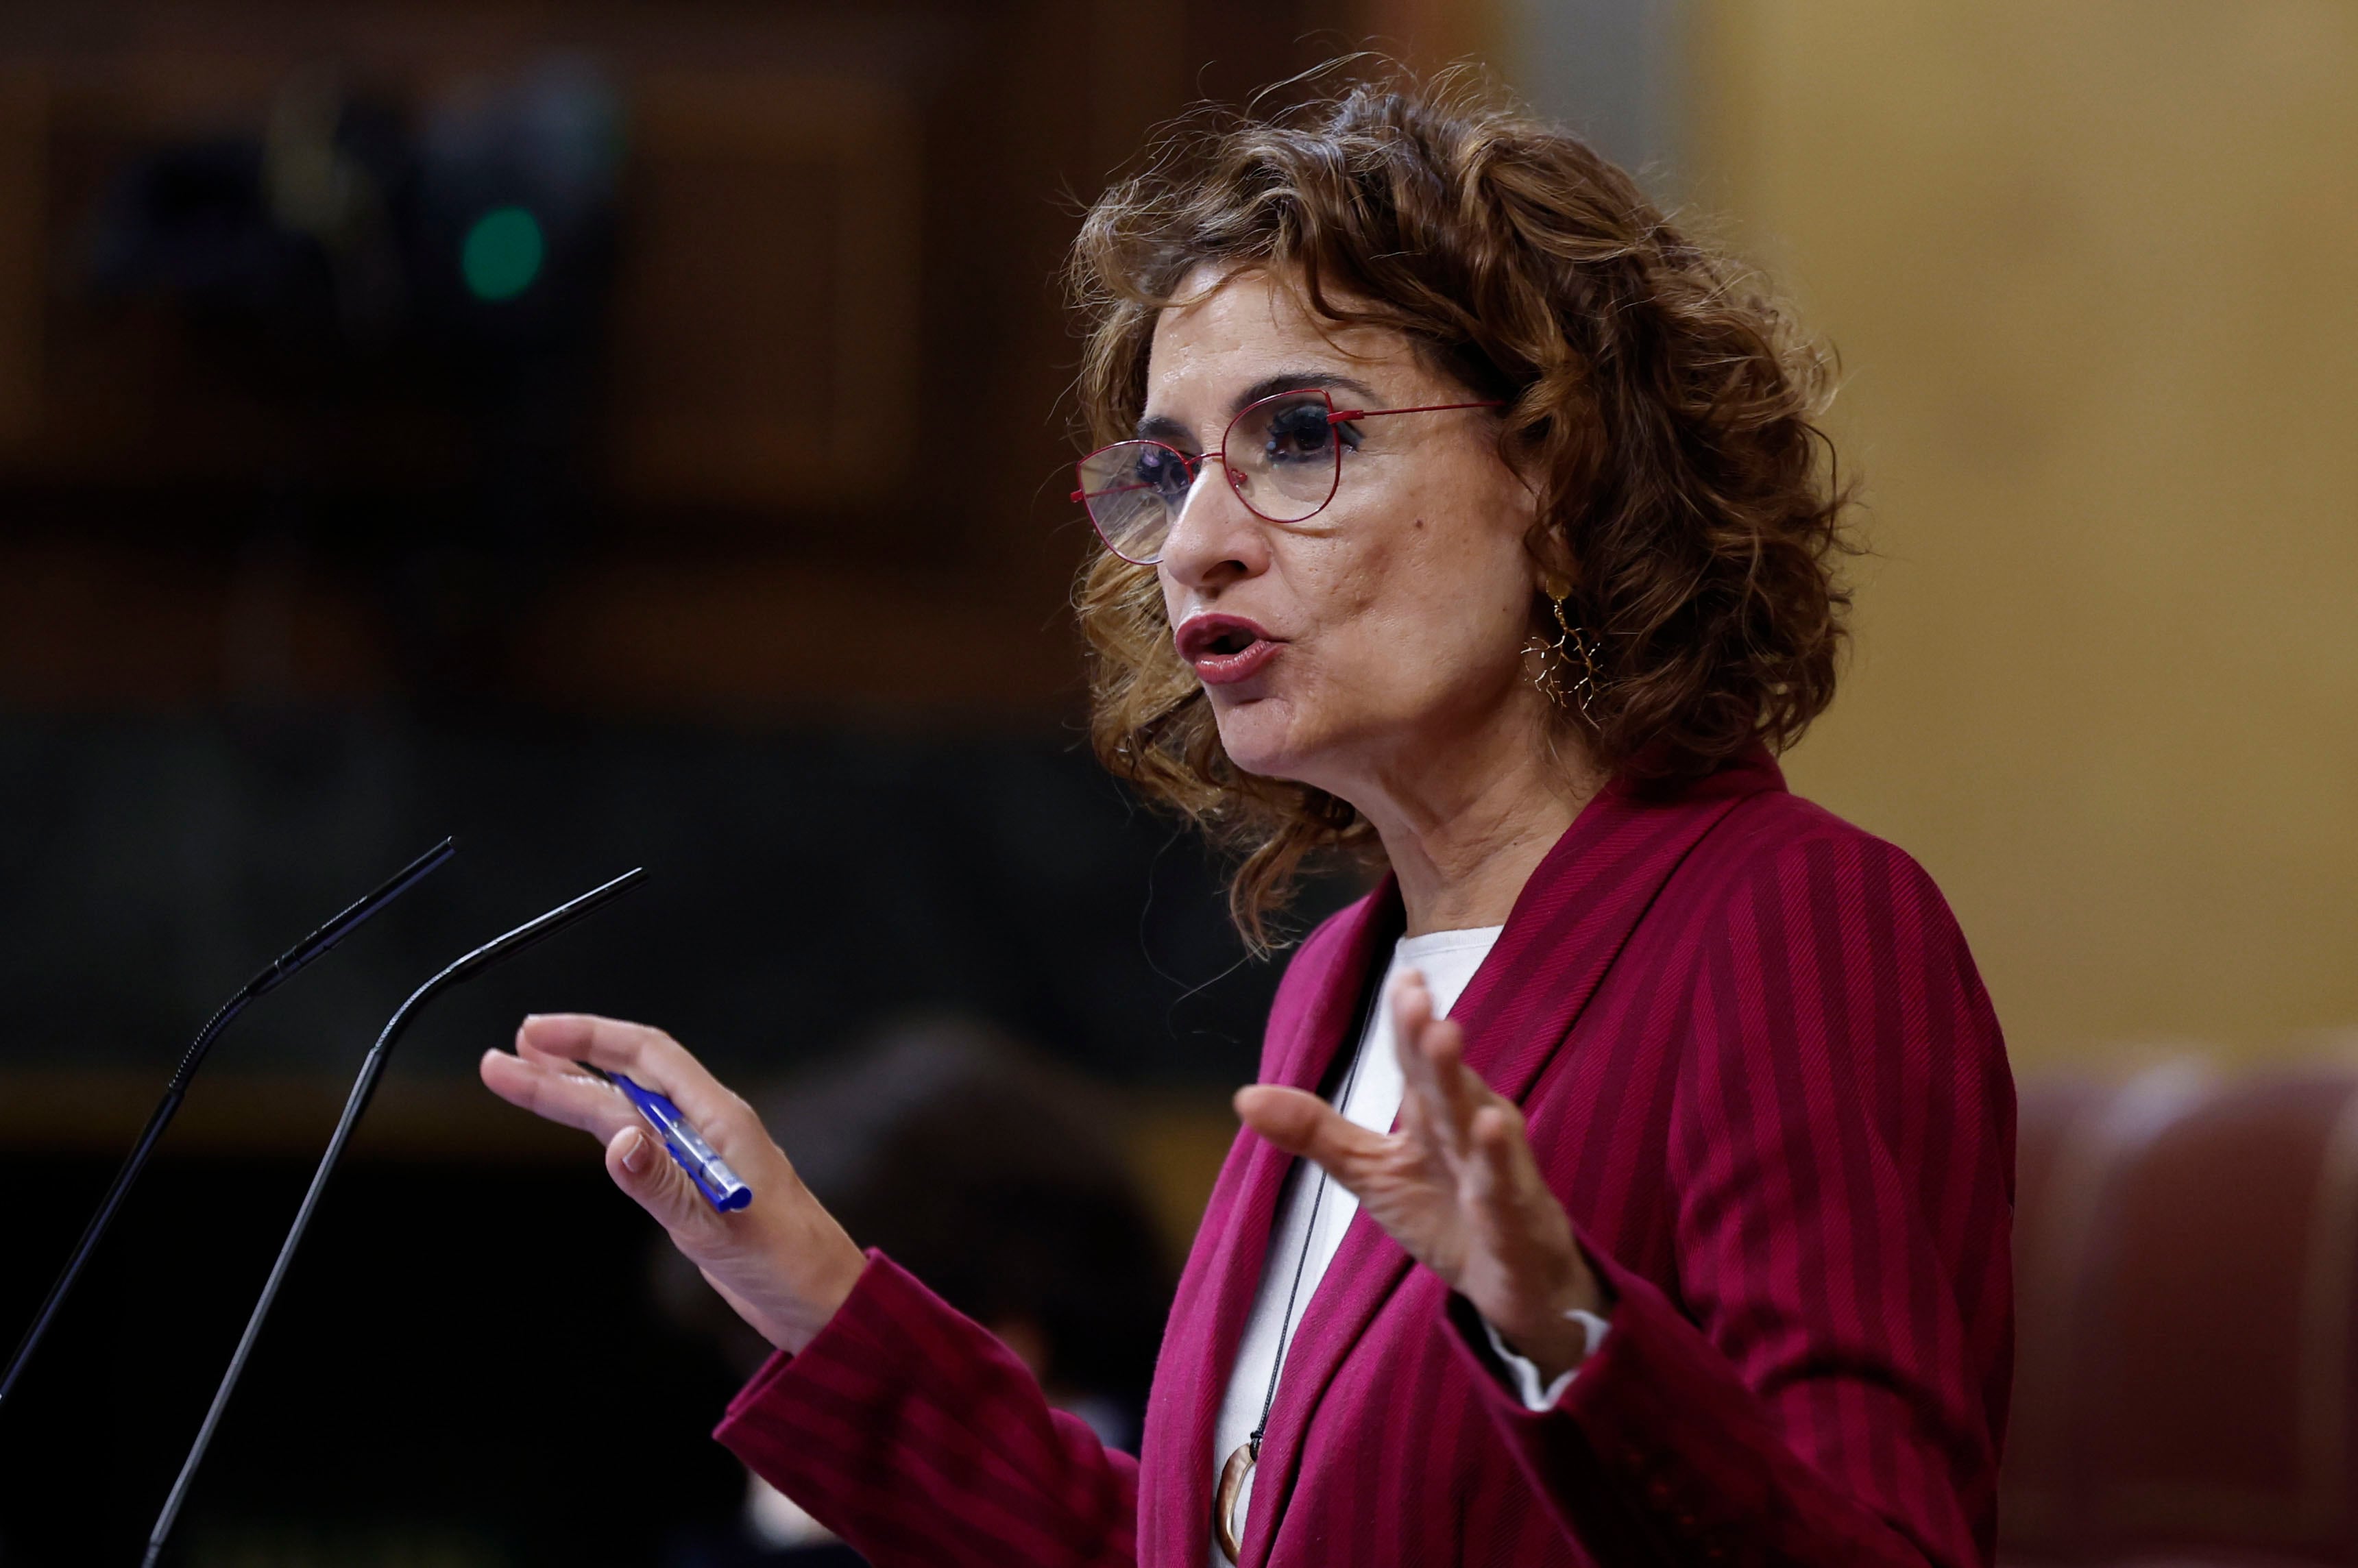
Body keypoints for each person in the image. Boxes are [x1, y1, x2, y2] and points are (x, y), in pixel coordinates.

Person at [482, 71, 2013, 1568]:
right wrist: (808, 1279)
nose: (1197, 544)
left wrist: (1571, 1340)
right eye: (1165, 470)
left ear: (1558, 475)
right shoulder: (1336, 984)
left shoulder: (1786, 922)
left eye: (1298, 436)